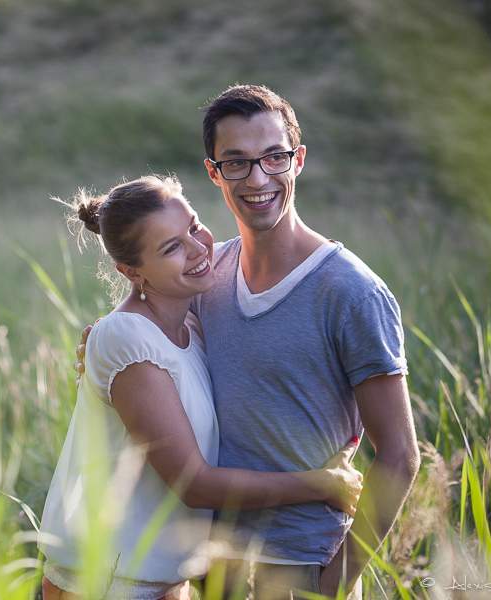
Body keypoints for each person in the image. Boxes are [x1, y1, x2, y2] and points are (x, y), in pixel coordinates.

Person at [75, 85, 420, 599]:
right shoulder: (207, 272)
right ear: (214, 172)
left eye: (273, 157)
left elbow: (398, 455)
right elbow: (151, 335)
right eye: (236, 162)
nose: (258, 179)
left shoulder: (350, 291)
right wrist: (101, 336)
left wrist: (333, 586)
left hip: (300, 565)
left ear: (297, 160)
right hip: (210, 564)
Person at [38, 174, 364, 600]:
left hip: (161, 581)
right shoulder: (125, 337)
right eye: (171, 247)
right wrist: (321, 484)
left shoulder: (193, 323)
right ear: (131, 272)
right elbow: (192, 484)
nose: (197, 249)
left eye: (193, 226)